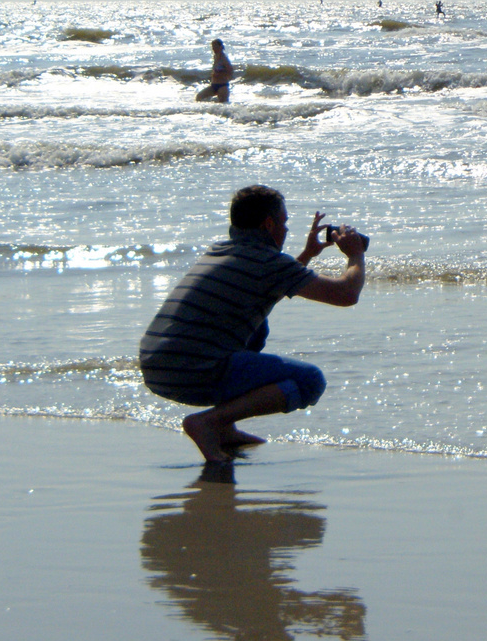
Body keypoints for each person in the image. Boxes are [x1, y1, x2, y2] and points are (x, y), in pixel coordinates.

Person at [140, 185, 367, 463]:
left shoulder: (222, 251)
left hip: (158, 368)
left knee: (257, 326)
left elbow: (265, 288)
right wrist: (355, 254)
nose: (285, 230)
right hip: (192, 372)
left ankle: (224, 427)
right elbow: (346, 295)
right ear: (268, 224)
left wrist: (306, 255)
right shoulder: (266, 262)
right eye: (283, 223)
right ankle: (209, 422)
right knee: (309, 381)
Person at [194, 39, 233, 103]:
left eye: (215, 46)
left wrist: (221, 74)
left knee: (223, 104)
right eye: (212, 47)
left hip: (222, 85)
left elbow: (230, 71)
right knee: (199, 97)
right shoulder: (215, 56)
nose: (213, 48)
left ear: (220, 47)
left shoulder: (224, 58)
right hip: (214, 85)